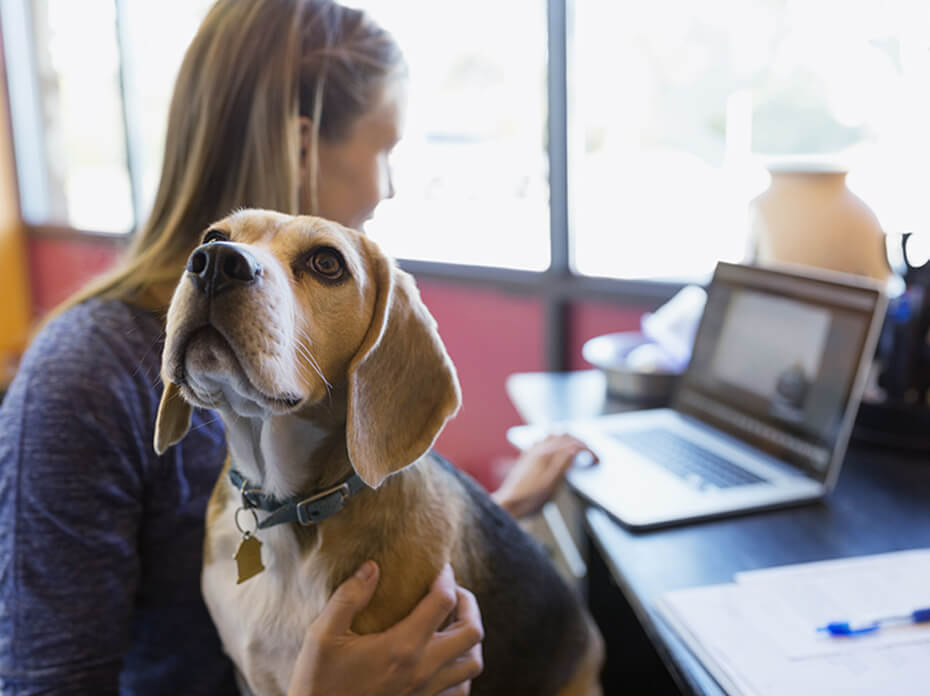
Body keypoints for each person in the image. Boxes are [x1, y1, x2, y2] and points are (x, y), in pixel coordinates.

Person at [0, 1, 593, 694]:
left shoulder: (322, 371)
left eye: (319, 264)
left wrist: (492, 519)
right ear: (302, 145)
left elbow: (365, 512)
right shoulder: (79, 379)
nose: (389, 185)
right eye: (387, 149)